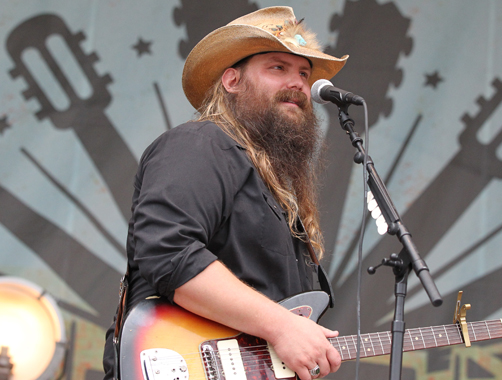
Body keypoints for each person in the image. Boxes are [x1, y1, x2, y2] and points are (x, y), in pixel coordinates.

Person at [103, 6, 349, 380]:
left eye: (304, 72)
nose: (299, 83)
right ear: (232, 81)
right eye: (277, 67)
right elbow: (167, 250)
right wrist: (282, 327)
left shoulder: (276, 189)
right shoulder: (201, 143)